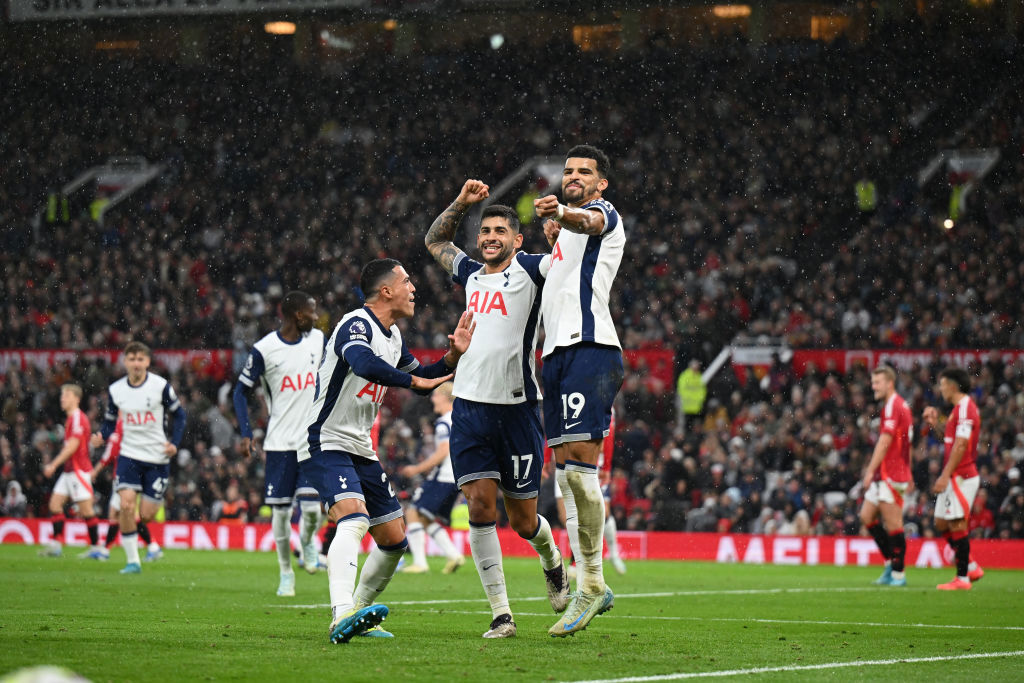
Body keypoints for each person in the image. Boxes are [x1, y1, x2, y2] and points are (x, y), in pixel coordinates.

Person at [425, 179, 570, 639]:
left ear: (516, 239)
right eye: (484, 230)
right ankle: (501, 614)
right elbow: (433, 241)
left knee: (525, 522)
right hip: (469, 408)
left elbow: (568, 266)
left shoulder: (531, 268)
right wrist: (461, 202)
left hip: (519, 409)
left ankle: (552, 559)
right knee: (479, 507)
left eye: (499, 231)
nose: (489, 237)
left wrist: (562, 231)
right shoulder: (468, 273)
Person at [305, 258, 474, 643]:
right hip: (328, 438)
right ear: (386, 291)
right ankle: (341, 612)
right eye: (407, 281)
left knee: (395, 540)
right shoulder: (356, 324)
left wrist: (452, 358)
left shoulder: (393, 336)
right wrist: (412, 380)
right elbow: (362, 363)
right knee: (353, 518)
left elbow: (425, 376)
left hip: (361, 447)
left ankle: (357, 613)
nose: (413, 288)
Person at [534, 144, 623, 636]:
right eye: (567, 171)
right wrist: (556, 232)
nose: (573, 176)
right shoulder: (563, 239)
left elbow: (589, 223)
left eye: (584, 171)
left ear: (600, 183)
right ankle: (590, 582)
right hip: (557, 358)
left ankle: (591, 583)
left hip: (591, 348)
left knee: (582, 472)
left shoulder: (603, 213)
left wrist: (562, 213)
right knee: (564, 477)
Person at [233, 291, 326, 597]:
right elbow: (239, 392)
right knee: (282, 514)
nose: (316, 317)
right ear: (298, 315)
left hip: (311, 441)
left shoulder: (318, 341)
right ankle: (286, 573)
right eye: (312, 312)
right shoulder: (265, 349)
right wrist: (246, 433)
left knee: (312, 510)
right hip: (279, 443)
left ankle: (309, 542)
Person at [90, 342, 187, 574]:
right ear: (125, 362)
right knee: (125, 505)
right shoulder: (116, 390)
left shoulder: (160, 386)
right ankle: (133, 561)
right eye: (131, 359)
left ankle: (142, 542)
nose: (136, 364)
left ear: (147, 362)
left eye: (140, 359)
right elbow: (110, 422)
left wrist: (174, 444)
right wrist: (101, 436)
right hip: (129, 455)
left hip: (157, 457)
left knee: (146, 514)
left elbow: (180, 416)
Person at [922, 366, 985, 590]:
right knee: (941, 522)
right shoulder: (958, 409)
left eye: (941, 384)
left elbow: (961, 444)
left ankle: (963, 579)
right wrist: (935, 423)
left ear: (951, 385)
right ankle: (971, 566)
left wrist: (945, 475)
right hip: (954, 475)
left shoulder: (966, 407)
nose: (940, 389)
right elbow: (949, 439)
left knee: (957, 523)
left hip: (962, 475)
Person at [398, 381, 465, 575]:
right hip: (456, 477)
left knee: (412, 511)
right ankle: (453, 554)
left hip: (444, 476)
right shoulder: (460, 419)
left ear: (445, 397)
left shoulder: (445, 421)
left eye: (435, 395)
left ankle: (420, 562)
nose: (433, 398)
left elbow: (443, 451)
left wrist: (417, 468)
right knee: (424, 517)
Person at [553, 406, 626, 580]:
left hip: (593, 463)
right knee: (566, 517)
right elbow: (553, 428)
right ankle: (578, 559)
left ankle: (609, 554)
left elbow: (609, 437)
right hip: (565, 461)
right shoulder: (565, 397)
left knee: (600, 512)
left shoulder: (604, 404)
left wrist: (606, 466)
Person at [858, 366, 913, 586]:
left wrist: (870, 470)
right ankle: (891, 563)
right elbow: (906, 443)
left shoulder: (894, 406)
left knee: (893, 524)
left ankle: (898, 573)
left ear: (889, 383)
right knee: (866, 516)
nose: (873, 386)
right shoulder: (897, 406)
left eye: (877, 382)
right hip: (889, 471)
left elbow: (885, 441)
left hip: (891, 472)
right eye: (872, 382)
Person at [39, 384, 100, 558]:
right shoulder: (71, 419)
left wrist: (53, 465)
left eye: (66, 395)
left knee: (87, 511)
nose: (62, 399)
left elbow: (72, 446)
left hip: (78, 470)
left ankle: (97, 548)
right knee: (54, 505)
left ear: (76, 399)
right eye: (62, 396)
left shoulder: (79, 419)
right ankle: (57, 545)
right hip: (69, 471)